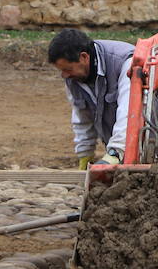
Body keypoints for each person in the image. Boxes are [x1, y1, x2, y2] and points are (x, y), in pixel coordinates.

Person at [47, 28, 134, 169]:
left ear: (84, 57)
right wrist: (85, 157)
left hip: (155, 143)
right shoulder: (74, 78)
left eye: (68, 69)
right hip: (122, 150)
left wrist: (115, 154)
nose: (64, 75)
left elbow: (129, 113)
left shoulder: (126, 63)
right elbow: (82, 119)